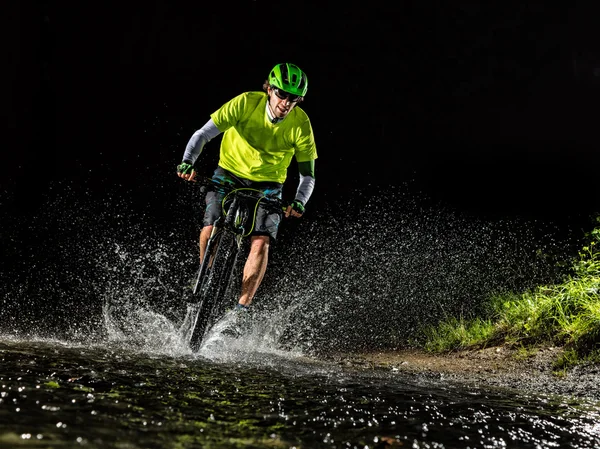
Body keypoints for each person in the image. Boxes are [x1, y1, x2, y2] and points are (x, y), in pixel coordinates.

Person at [176, 62, 317, 314]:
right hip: (229, 173)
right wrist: (188, 161)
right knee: (210, 226)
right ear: (269, 90)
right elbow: (203, 135)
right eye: (281, 94)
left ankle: (242, 309)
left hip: (269, 184)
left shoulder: (300, 124)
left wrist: (299, 202)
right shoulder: (245, 103)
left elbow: (308, 175)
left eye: (293, 98)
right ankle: (203, 276)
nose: (286, 102)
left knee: (261, 241)